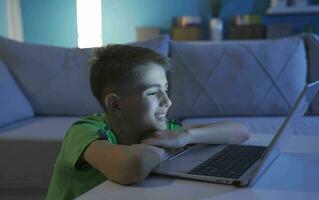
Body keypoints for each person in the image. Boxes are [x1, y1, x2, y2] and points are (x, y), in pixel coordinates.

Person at [46, 44, 250, 200]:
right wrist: (156, 147)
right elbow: (134, 164)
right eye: (153, 93)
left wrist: (186, 136)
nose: (167, 101)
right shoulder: (84, 132)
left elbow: (239, 131)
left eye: (166, 89)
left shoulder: (159, 129)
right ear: (115, 104)